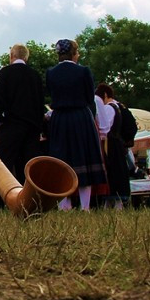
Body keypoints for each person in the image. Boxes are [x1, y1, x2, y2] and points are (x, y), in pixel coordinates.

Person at [47, 39, 106, 211]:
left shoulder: (50, 73)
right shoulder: (83, 71)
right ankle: (85, 206)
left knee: (62, 158)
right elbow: (89, 98)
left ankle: (64, 204)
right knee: (83, 158)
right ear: (74, 53)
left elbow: (51, 95)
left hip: (59, 119)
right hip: (80, 117)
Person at [0, 44, 46, 200]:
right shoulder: (35, 75)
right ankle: (31, 198)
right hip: (32, 127)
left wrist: (3, 120)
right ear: (26, 57)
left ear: (11, 56)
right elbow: (40, 103)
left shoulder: (5, 73)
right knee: (28, 165)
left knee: (5, 163)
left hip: (12, 124)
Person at [95, 84, 130, 209]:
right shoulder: (120, 107)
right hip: (117, 144)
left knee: (112, 173)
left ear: (104, 95)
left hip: (110, 144)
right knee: (118, 172)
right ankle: (114, 202)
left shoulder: (109, 108)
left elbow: (106, 126)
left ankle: (114, 202)